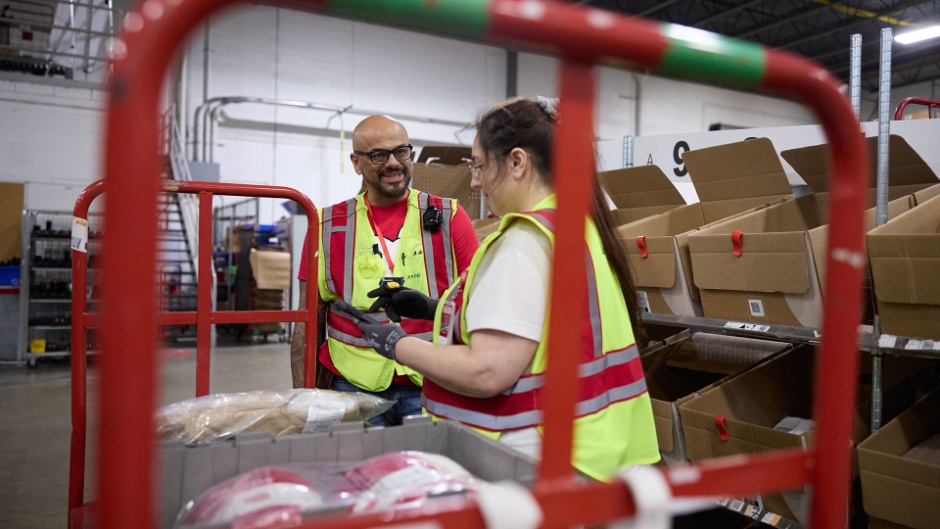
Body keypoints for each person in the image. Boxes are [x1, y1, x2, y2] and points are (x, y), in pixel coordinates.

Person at [356, 97, 660, 480]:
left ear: (518, 162)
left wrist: (395, 344)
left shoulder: (525, 241)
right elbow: (548, 321)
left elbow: (487, 372)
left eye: (480, 166)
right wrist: (435, 309)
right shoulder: (572, 226)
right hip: (597, 451)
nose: (475, 180)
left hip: (539, 460)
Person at [291, 115, 480, 427]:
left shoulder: (450, 217)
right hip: (352, 388)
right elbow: (308, 321)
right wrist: (303, 397)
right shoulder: (326, 226)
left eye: (402, 151)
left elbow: (476, 302)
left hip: (433, 383)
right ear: (356, 162)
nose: (394, 162)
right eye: (379, 155)